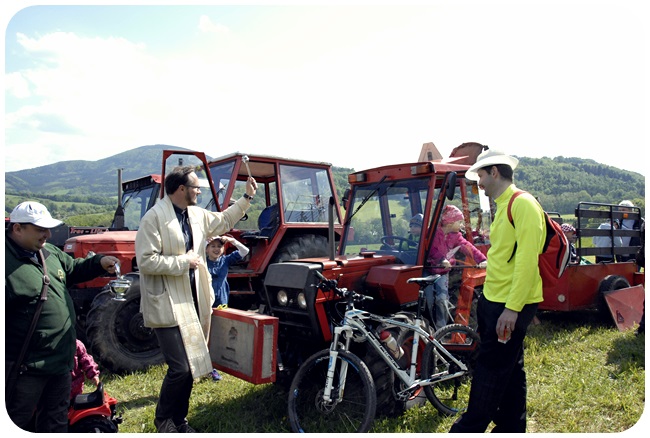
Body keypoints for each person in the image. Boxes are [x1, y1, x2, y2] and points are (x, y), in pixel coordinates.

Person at [135, 165, 257, 433]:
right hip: (167, 304)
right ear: (181, 189)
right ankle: (163, 421)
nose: (199, 192)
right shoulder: (153, 218)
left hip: (193, 302)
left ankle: (179, 421)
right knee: (180, 367)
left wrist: (247, 197)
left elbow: (224, 220)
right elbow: (145, 261)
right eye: (196, 187)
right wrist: (184, 262)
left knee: (191, 366)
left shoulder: (196, 215)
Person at [449, 148, 544, 433]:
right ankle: (511, 428)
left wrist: (512, 309)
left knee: (490, 369)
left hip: (508, 305)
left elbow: (527, 262)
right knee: (511, 370)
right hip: (495, 300)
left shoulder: (522, 204)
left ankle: (468, 428)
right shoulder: (502, 205)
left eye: (480, 175)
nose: (478, 182)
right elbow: (506, 256)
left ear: (494, 172)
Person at [5, 201, 120, 432]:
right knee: (17, 422)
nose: (47, 235)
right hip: (25, 369)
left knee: (55, 422)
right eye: (40, 229)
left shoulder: (48, 252)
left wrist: (99, 262)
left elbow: (73, 268)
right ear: (17, 228)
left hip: (61, 363)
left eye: (48, 229)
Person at [426, 205, 487, 330]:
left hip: (442, 272)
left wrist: (482, 260)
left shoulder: (456, 236)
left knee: (442, 299)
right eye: (459, 222)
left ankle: (441, 328)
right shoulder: (433, 233)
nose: (461, 225)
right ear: (450, 222)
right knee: (428, 300)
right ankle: (429, 327)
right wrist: (441, 259)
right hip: (428, 270)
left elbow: (469, 247)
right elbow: (431, 249)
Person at [206, 235, 249, 308]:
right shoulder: (202, 262)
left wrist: (232, 240)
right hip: (206, 300)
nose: (216, 249)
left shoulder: (226, 260)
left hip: (222, 299)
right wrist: (205, 241)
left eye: (219, 246)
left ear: (223, 249)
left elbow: (245, 251)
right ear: (206, 249)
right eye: (213, 246)